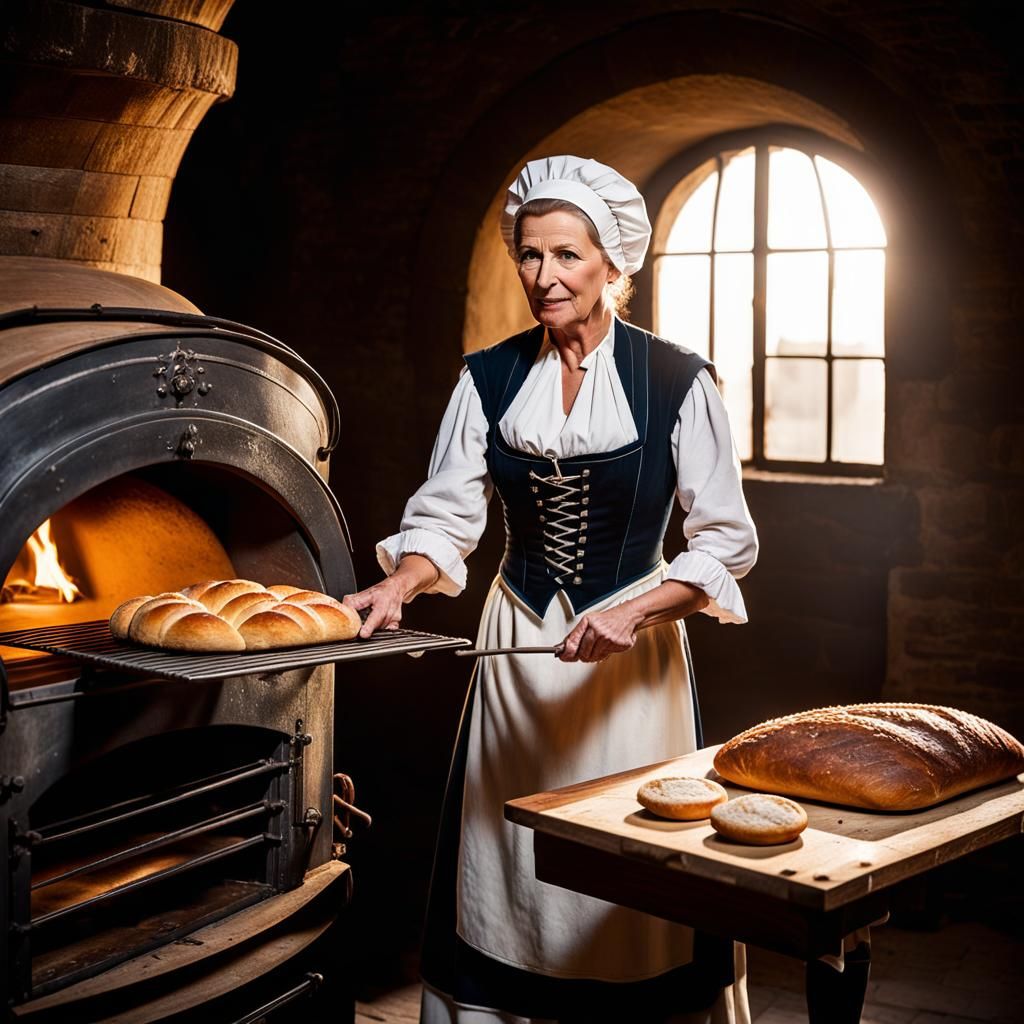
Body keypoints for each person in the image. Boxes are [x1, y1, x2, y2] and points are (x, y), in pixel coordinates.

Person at [345, 155, 758, 1024]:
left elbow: (725, 540)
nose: (545, 276)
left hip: (633, 664)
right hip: (518, 654)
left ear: (613, 262)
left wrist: (633, 612)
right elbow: (448, 516)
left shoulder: (678, 380)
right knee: (506, 852)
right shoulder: (488, 377)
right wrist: (401, 585)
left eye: (568, 255)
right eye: (530, 255)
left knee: (633, 853)